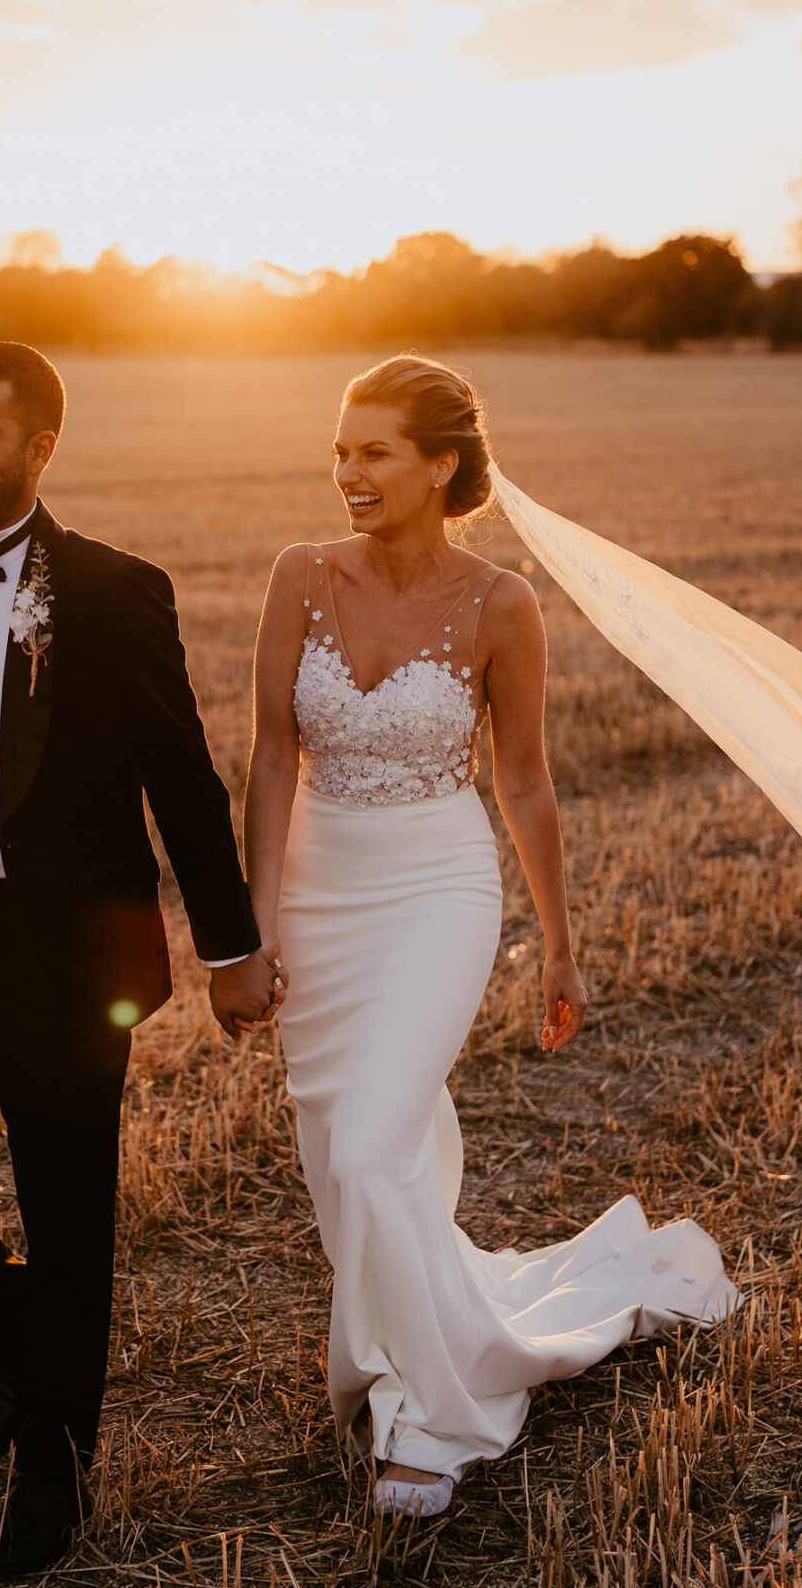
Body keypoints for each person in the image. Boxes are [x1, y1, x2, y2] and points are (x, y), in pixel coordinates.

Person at [0, 341, 281, 1579]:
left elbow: (184, 785)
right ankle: (31, 1350)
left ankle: (53, 1490)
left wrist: (233, 946)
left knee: (71, 1223)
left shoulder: (115, 592)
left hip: (67, 961)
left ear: (39, 447)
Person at [244, 356, 736, 1517]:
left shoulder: (501, 605)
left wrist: (559, 944)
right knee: (341, 1160)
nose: (346, 472)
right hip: (317, 890)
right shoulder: (298, 577)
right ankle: (400, 1340)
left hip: (437, 889)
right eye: (340, 449)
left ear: (440, 465)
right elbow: (269, 757)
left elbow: (526, 784)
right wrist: (254, 922)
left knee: (371, 1145)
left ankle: (442, 1409)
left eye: (373, 452)